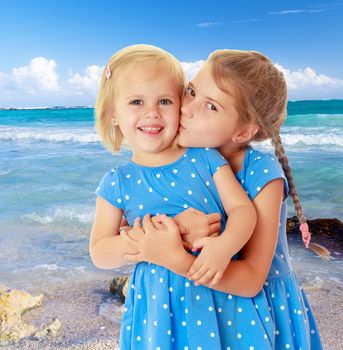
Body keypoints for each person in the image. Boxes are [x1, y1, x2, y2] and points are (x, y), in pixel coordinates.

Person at [125, 49, 323, 349]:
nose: (188, 108)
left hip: (257, 312)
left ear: (244, 131)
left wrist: (176, 258)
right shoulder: (187, 158)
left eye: (211, 106)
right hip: (203, 307)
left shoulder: (262, 174)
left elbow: (252, 279)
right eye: (191, 91)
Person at [89, 44, 265, 349]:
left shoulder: (205, 158)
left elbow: (243, 210)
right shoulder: (117, 182)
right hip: (158, 309)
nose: (152, 112)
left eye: (165, 101)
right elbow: (100, 251)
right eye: (136, 101)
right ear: (113, 114)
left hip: (220, 293)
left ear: (181, 105)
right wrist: (148, 245)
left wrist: (224, 247)